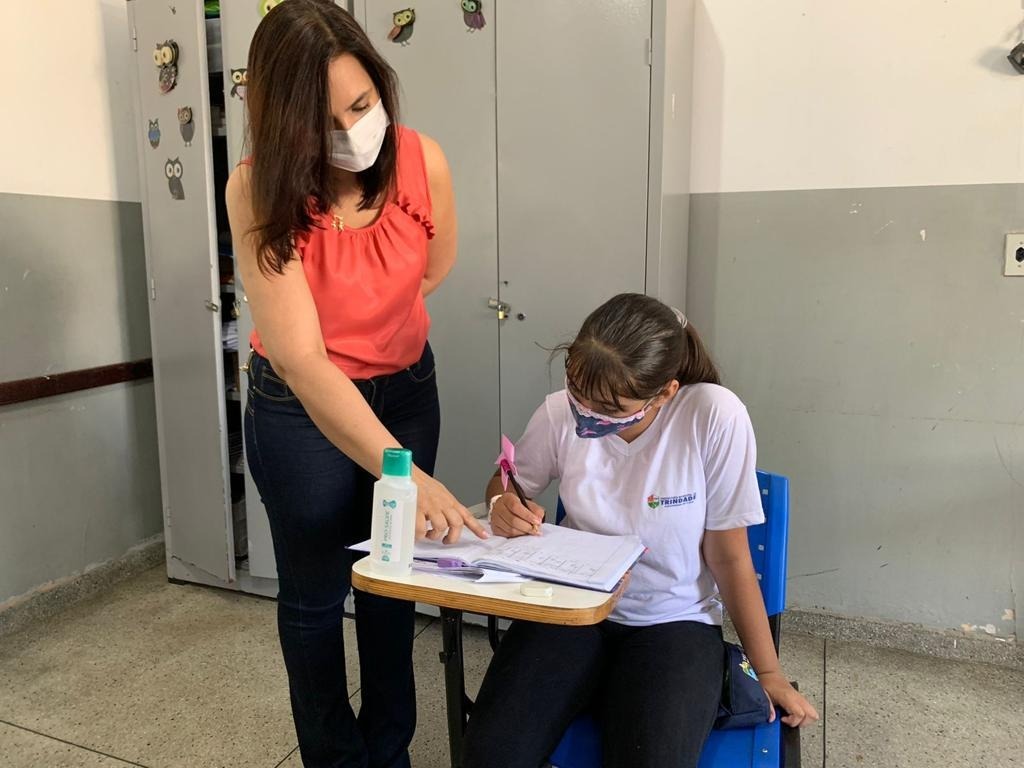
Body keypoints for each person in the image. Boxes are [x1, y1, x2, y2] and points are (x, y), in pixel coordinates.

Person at [225, 2, 485, 766]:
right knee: (314, 598)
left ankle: (388, 749)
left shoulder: (421, 161)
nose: (350, 130)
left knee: (390, 584)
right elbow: (304, 360)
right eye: (323, 121)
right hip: (298, 411)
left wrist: (373, 336)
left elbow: (432, 270)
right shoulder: (257, 190)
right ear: (283, 126)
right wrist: (406, 474)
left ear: (380, 84)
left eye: (361, 105)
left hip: (405, 390)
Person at [461, 293, 818, 768]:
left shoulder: (712, 415)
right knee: (491, 754)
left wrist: (768, 671)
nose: (586, 412)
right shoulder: (558, 412)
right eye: (577, 391)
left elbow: (729, 556)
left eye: (609, 406)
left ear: (665, 392)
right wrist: (501, 503)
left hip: (674, 619)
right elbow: (507, 482)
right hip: (574, 606)